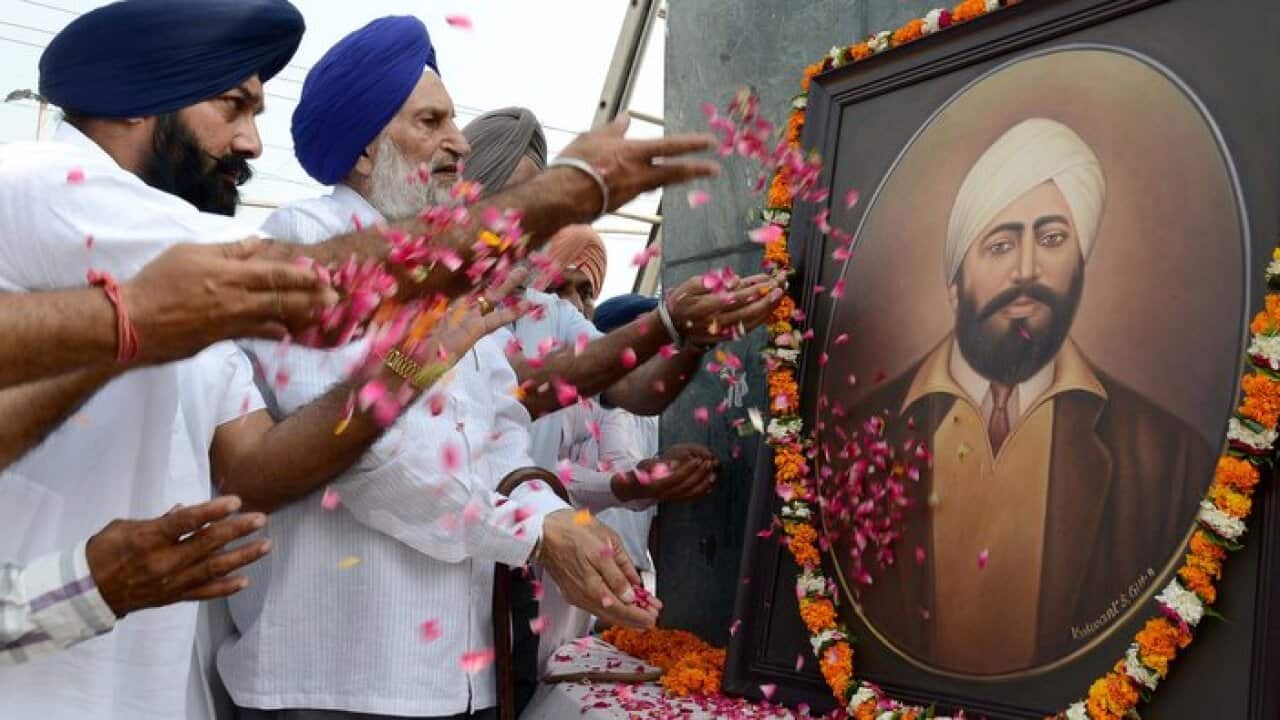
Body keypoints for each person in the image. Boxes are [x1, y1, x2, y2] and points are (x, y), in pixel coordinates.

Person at [0, 3, 713, 718]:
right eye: (430, 123)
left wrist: (528, 498)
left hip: (408, 670)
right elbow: (324, 339)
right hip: (324, 673)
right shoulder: (50, 186)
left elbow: (277, 464)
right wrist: (563, 193)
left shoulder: (427, 284)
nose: (252, 140)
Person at [217, 17, 656, 720]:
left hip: (457, 676)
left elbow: (501, 435)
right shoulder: (305, 246)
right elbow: (366, 457)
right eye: (432, 120)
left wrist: (557, 519)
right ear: (364, 149)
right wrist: (536, 532)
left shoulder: (452, 276)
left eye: (454, 118)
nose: (459, 141)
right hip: (338, 680)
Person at [843, 118, 1213, 673]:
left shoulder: (1165, 456)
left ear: (1082, 264)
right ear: (954, 284)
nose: (1026, 269)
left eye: (1052, 238)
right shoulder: (854, 437)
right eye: (999, 244)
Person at [461, 109, 783, 471]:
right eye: (512, 202)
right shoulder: (422, 308)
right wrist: (667, 322)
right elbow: (522, 383)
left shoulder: (551, 312)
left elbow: (637, 387)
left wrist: (694, 340)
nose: (529, 220)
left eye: (536, 203)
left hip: (531, 520)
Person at [530, 294, 719, 701]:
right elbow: (537, 471)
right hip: (531, 560)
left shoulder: (611, 395)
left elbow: (618, 470)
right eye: (567, 287)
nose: (578, 302)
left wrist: (653, 475)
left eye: (586, 291)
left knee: (552, 678)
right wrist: (628, 485)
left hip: (603, 569)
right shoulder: (514, 350)